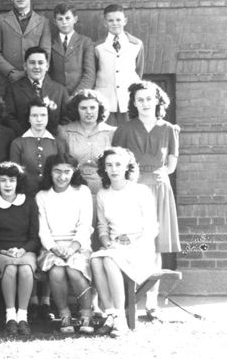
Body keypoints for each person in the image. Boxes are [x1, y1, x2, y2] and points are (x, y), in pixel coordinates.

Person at [112, 80, 180, 316]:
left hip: (160, 189)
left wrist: (167, 171)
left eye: (149, 98)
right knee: (129, 241)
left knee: (155, 246)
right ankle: (125, 298)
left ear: (158, 101)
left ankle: (152, 302)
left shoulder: (169, 128)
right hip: (133, 190)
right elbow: (116, 160)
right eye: (140, 99)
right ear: (134, 103)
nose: (145, 103)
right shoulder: (124, 129)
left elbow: (172, 160)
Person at [90, 147, 159, 336]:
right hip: (115, 247)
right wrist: (107, 242)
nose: (114, 169)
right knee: (96, 259)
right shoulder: (103, 194)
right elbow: (102, 228)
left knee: (109, 260)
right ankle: (110, 314)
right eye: (109, 165)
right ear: (104, 169)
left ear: (127, 167)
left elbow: (152, 227)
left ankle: (120, 318)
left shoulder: (141, 191)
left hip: (140, 248)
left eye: (118, 164)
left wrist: (133, 240)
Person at [36, 153, 96, 335]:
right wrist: (54, 248)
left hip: (78, 245)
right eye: (57, 171)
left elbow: (86, 224)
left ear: (73, 172)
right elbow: (42, 230)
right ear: (50, 172)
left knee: (74, 269)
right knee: (56, 271)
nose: (62, 176)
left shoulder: (82, 192)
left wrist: (72, 248)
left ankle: (86, 313)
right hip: (51, 247)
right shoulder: (42, 195)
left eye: (67, 171)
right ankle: (64, 315)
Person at [0, 162, 40, 336]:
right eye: (3, 180)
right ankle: (10, 317)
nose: (7, 185)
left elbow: (34, 237)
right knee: (11, 268)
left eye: (12, 180)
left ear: (18, 182)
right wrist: (2, 251)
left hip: (25, 250)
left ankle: (23, 317)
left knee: (26, 270)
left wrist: (23, 250)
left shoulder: (29, 202)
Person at [0, 0, 51, 95]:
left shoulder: (43, 22)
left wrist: (28, 73)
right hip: (7, 81)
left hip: (33, 80)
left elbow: (45, 53)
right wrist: (11, 72)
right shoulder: (0, 20)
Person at [56, 89, 117, 195]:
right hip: (74, 187)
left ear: (100, 109)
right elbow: (61, 163)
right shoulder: (65, 132)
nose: (88, 112)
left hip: (105, 188)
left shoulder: (111, 132)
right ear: (76, 110)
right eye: (83, 108)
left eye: (93, 107)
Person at [94, 4, 145, 126]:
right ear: (105, 23)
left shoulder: (136, 44)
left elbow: (139, 70)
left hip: (127, 100)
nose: (115, 23)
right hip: (106, 99)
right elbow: (95, 71)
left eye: (118, 20)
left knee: (129, 137)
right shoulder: (97, 46)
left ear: (125, 21)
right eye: (110, 20)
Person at [4, 46, 70, 135]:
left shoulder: (60, 90)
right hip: (23, 139)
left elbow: (66, 118)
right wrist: (26, 135)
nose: (36, 67)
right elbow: (8, 117)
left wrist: (51, 136)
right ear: (25, 66)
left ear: (47, 66)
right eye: (32, 63)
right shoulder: (13, 89)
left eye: (40, 63)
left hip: (52, 141)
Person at [8, 100, 58, 195]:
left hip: (52, 195)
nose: (39, 119)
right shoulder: (18, 143)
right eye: (34, 115)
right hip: (26, 195)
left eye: (43, 115)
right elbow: (15, 174)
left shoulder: (58, 143)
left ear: (48, 117)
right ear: (28, 118)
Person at [49, 3, 95, 95]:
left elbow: (89, 74)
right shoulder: (50, 42)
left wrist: (76, 96)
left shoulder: (85, 42)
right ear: (55, 21)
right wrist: (57, 94)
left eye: (67, 18)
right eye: (60, 19)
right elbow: (47, 73)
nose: (64, 22)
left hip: (79, 96)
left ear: (75, 19)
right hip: (56, 95)